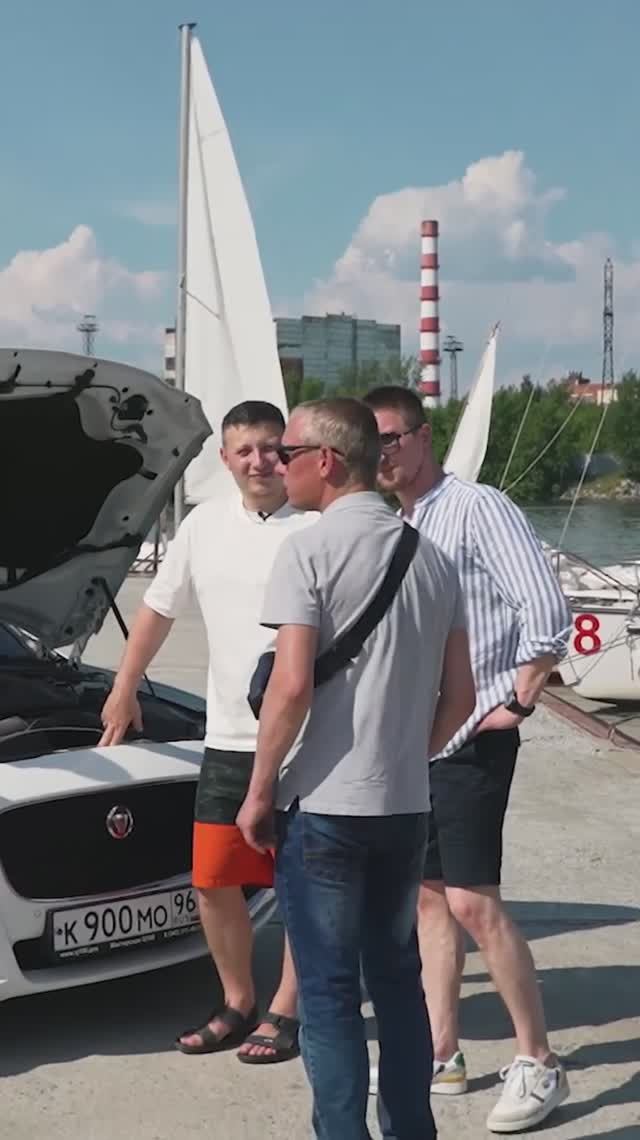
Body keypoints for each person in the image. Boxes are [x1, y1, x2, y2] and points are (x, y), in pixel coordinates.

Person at [236, 397, 476, 1140]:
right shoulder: (432, 557)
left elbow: (291, 686)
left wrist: (259, 789)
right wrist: (405, 755)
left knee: (330, 995)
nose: (278, 465)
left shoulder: (307, 552)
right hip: (404, 806)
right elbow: (462, 697)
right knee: (398, 982)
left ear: (327, 461)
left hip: (324, 807)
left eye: (288, 453)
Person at [363, 384, 572, 1134]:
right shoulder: (401, 522)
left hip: (472, 736)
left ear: (424, 437)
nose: (382, 454)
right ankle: (441, 1051)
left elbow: (546, 610)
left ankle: (539, 1060)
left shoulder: (477, 507)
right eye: (371, 443)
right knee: (427, 899)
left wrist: (517, 701)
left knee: (472, 901)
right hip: (419, 740)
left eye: (392, 438)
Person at [99, 399, 315, 1064]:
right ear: (224, 458)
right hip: (227, 737)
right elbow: (157, 609)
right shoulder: (203, 526)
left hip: (309, 741)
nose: (259, 461)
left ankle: (287, 1009)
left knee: (300, 885)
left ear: (289, 452)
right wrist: (124, 687)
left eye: (271, 448)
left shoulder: (317, 525)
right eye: (244, 450)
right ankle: (237, 1000)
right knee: (213, 878)